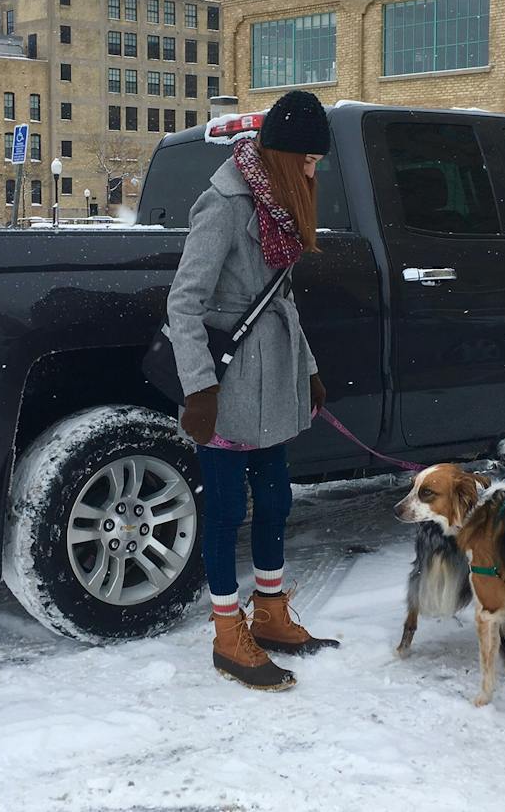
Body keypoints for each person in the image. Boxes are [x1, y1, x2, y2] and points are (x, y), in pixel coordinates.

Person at [166, 89, 340, 691]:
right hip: (231, 384)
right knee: (223, 512)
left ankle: (269, 613)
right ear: (287, 156)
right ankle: (226, 632)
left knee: (275, 502)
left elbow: (281, 299)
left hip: (276, 378)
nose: (315, 171)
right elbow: (183, 303)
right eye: (310, 161)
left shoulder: (278, 204)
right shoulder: (225, 204)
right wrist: (199, 390)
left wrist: (309, 368)